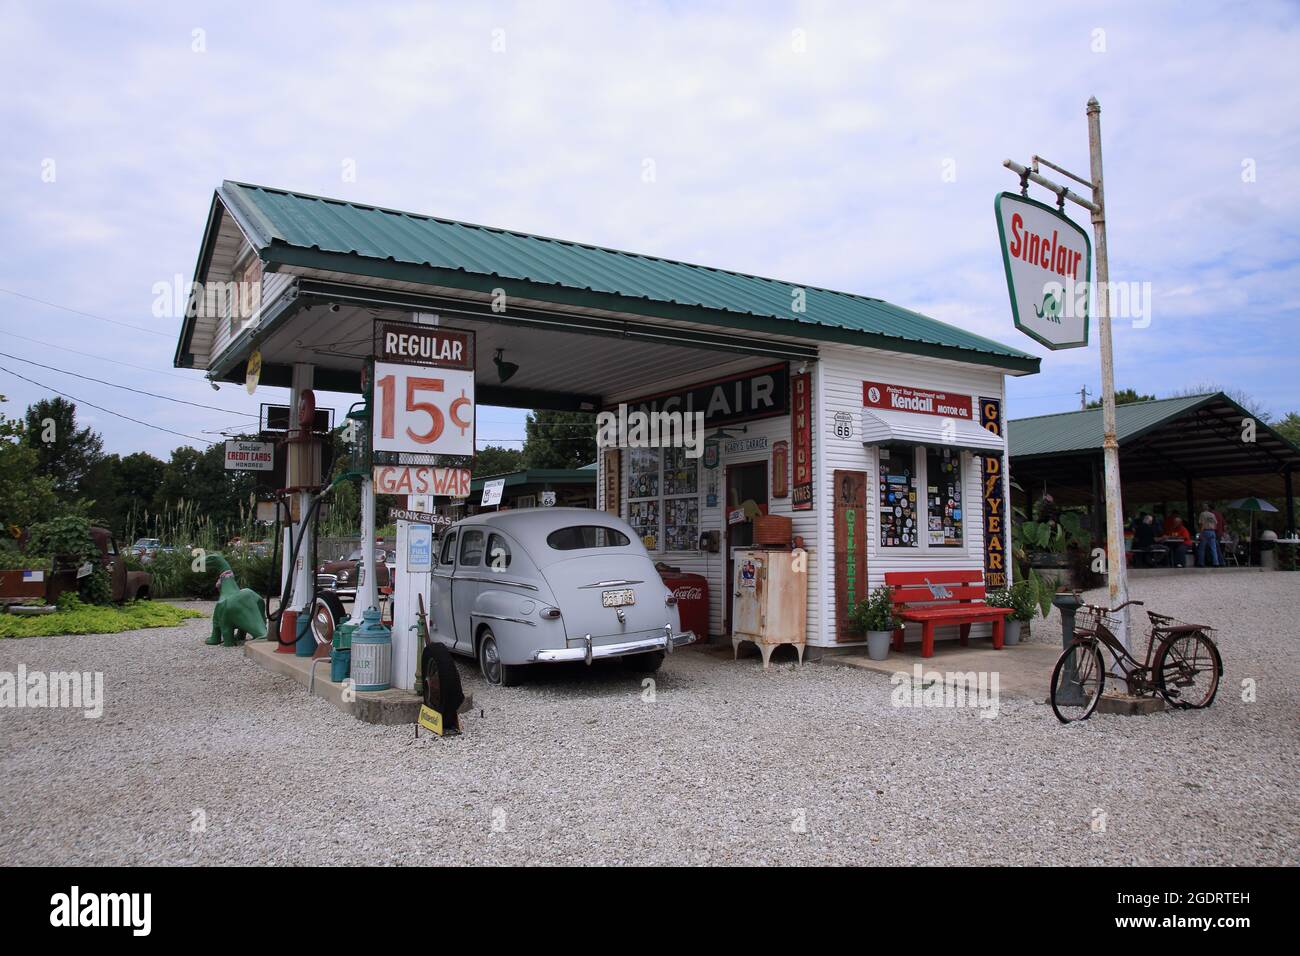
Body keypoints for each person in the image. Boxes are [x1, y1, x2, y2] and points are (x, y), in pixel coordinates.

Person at [1197, 502, 1220, 567]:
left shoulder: (1202, 514)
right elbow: (1216, 524)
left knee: (1202, 548)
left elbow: (1202, 524)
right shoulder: (1212, 515)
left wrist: (1201, 533)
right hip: (1212, 532)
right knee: (1213, 548)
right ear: (1208, 508)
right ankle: (1216, 563)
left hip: (1205, 531)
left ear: (1203, 508)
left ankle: (1201, 563)